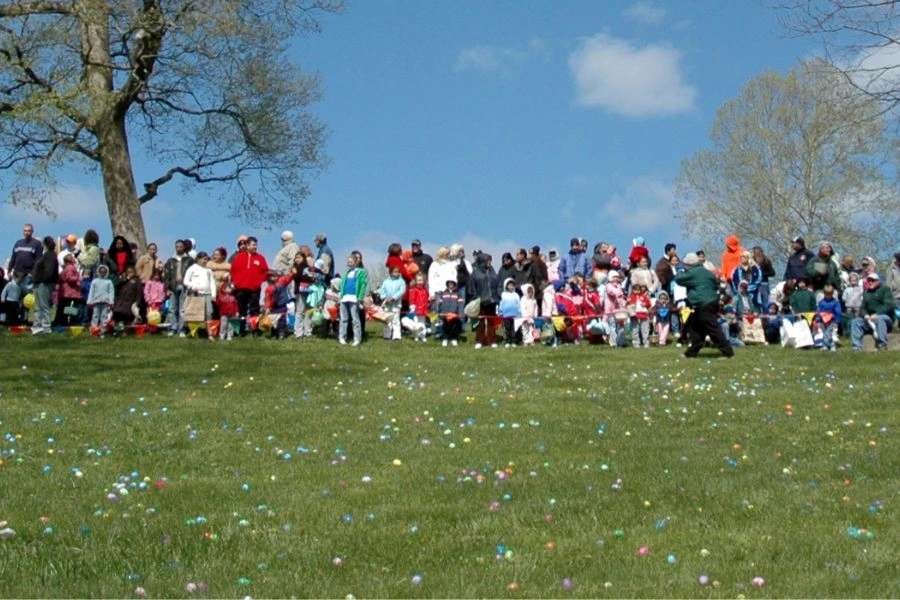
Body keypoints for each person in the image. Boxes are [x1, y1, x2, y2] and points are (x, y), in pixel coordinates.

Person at [676, 252, 734, 358]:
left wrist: (679, 269)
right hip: (711, 302)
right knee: (696, 329)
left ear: (689, 265)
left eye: (685, 265)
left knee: (713, 329)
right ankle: (691, 352)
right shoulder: (708, 272)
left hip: (703, 304)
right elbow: (716, 284)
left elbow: (679, 279)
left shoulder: (693, 272)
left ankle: (728, 352)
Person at [229, 236, 268, 336]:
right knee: (241, 310)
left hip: (254, 289)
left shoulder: (260, 258)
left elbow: (265, 272)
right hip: (240, 288)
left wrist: (259, 282)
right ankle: (241, 330)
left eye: (256, 245)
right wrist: (236, 282)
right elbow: (233, 271)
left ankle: (254, 329)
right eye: (253, 245)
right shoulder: (239, 257)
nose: (255, 247)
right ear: (247, 245)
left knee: (254, 310)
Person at [850, 273, 894, 351]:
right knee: (855, 322)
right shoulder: (866, 293)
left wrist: (877, 314)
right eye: (869, 280)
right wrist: (865, 315)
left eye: (872, 280)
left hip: (884, 319)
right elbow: (863, 308)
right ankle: (856, 347)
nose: (870, 282)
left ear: (878, 281)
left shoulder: (885, 290)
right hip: (870, 320)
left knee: (880, 319)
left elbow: (888, 305)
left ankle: (882, 345)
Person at [164, 239, 195, 336]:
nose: (179, 248)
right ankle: (173, 328)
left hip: (184, 286)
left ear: (184, 247)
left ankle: (181, 329)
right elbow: (166, 275)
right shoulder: (170, 260)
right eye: (177, 247)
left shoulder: (189, 260)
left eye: (181, 247)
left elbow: (193, 274)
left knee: (182, 309)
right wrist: (167, 288)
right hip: (173, 286)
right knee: (172, 309)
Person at [469, 252, 499, 348]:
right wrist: (476, 297)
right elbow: (472, 287)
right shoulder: (475, 273)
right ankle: (479, 341)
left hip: (491, 301)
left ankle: (492, 341)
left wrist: (496, 296)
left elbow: (496, 283)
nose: (490, 262)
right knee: (480, 322)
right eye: (488, 260)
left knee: (491, 321)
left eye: (490, 260)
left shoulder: (492, 271)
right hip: (480, 301)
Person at [30, 236, 59, 334]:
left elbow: (49, 270)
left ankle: (46, 327)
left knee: (44, 305)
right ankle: (37, 325)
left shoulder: (51, 255)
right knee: (38, 306)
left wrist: (43, 279)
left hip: (44, 283)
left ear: (45, 244)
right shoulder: (45, 254)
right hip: (38, 283)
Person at [338, 254, 367, 346]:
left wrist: (360, 297)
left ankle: (357, 338)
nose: (349, 264)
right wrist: (341, 295)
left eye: (351, 262)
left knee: (355, 319)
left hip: (354, 298)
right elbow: (343, 284)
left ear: (355, 262)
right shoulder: (346, 273)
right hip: (344, 298)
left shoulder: (361, 272)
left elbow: (363, 284)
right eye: (348, 262)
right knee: (343, 318)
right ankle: (342, 337)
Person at [184, 251, 217, 324]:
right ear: (198, 259)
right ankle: (195, 332)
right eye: (204, 259)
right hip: (196, 294)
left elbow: (212, 283)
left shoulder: (209, 270)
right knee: (195, 313)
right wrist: (192, 287)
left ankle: (209, 332)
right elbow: (186, 281)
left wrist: (213, 295)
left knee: (209, 312)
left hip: (207, 294)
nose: (205, 261)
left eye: (206, 259)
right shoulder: (192, 268)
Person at [9, 223, 42, 288]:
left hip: (28, 275)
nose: (26, 233)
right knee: (15, 295)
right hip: (17, 274)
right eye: (25, 231)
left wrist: (33, 273)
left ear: (32, 232)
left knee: (27, 296)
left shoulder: (36, 244)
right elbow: (13, 258)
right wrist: (9, 270)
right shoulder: (18, 243)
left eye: (28, 231)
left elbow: (38, 260)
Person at [378, 265, 406, 341]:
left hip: (396, 304)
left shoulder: (401, 281)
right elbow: (382, 291)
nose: (397, 273)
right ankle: (387, 335)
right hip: (387, 304)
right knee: (387, 320)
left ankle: (396, 336)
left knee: (396, 320)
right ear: (390, 273)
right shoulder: (386, 281)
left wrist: (394, 298)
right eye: (395, 272)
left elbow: (402, 291)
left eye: (398, 272)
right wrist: (384, 297)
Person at [433, 278, 464, 347]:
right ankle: (445, 339)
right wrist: (439, 312)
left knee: (454, 328)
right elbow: (440, 304)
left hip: (454, 314)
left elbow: (460, 304)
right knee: (445, 327)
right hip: (445, 314)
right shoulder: (443, 293)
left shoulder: (458, 294)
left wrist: (461, 314)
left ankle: (453, 338)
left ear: (455, 284)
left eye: (452, 283)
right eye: (449, 283)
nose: (451, 284)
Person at [56, 254, 83, 327]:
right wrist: (78, 278)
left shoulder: (66, 267)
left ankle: (62, 321)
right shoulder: (70, 267)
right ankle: (71, 321)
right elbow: (69, 278)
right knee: (71, 307)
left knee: (64, 307)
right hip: (70, 291)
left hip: (66, 291)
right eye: (72, 258)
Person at [87, 264, 115, 335]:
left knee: (104, 316)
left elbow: (111, 292)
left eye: (104, 272)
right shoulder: (95, 281)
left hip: (105, 302)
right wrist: (90, 301)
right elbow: (91, 292)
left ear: (106, 272)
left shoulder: (109, 282)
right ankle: (94, 329)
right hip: (96, 301)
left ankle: (103, 330)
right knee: (95, 316)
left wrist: (111, 301)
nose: (102, 273)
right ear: (98, 272)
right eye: (101, 272)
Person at [603, 270, 627, 348]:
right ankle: (613, 343)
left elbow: (621, 298)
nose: (616, 278)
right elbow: (612, 292)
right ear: (610, 278)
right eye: (614, 277)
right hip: (610, 310)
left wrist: (624, 304)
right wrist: (619, 293)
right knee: (612, 326)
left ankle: (621, 341)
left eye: (617, 277)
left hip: (619, 310)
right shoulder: (608, 286)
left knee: (621, 326)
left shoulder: (619, 286)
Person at [815, 284, 842, 352]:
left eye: (830, 294)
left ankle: (832, 345)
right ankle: (825, 345)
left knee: (828, 333)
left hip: (831, 321)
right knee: (824, 333)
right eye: (827, 294)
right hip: (823, 321)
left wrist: (837, 321)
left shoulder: (835, 302)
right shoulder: (821, 302)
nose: (828, 296)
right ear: (824, 294)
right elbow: (818, 311)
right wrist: (818, 320)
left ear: (832, 294)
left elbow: (838, 312)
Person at [406, 272, 430, 342]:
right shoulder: (414, 290)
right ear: (416, 281)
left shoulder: (425, 290)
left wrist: (428, 304)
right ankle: (416, 336)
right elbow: (411, 299)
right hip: (416, 310)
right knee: (416, 324)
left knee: (422, 324)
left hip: (423, 311)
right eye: (418, 280)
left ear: (423, 281)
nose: (420, 282)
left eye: (421, 280)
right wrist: (412, 306)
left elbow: (427, 299)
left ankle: (422, 335)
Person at [628, 283, 652, 348]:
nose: (637, 291)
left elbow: (649, 304)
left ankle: (646, 342)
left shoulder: (644, 297)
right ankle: (636, 342)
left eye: (638, 290)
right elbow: (627, 304)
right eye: (635, 290)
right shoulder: (631, 297)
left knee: (645, 329)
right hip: (634, 315)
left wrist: (645, 304)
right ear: (632, 290)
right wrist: (629, 302)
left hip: (643, 315)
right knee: (635, 329)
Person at [498, 277, 521, 347]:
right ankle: (507, 341)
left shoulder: (516, 295)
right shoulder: (504, 294)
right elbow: (501, 304)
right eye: (509, 285)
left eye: (512, 285)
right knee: (507, 328)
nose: (511, 287)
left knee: (514, 329)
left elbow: (519, 305)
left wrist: (519, 313)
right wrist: (500, 312)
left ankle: (514, 341)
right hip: (506, 315)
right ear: (506, 286)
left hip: (515, 315)